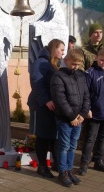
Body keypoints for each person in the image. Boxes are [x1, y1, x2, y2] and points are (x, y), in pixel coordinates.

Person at [50, 48, 91, 187]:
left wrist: (83, 114)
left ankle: (69, 170)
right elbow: (60, 99)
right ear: (66, 61)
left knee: (73, 146)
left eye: (78, 65)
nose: (76, 67)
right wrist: (71, 116)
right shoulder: (58, 76)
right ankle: (62, 172)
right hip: (65, 118)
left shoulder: (81, 76)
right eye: (73, 64)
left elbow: (86, 95)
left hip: (78, 118)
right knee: (64, 146)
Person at [28, 38, 65, 178]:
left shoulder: (53, 63)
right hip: (42, 105)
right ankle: (42, 166)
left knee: (53, 135)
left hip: (52, 105)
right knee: (43, 136)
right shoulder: (40, 63)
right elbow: (37, 83)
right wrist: (46, 100)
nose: (63, 52)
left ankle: (55, 163)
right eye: (61, 49)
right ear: (54, 49)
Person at [79, 22, 104, 165]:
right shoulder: (83, 50)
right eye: (95, 32)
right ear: (90, 34)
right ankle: (86, 157)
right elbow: (80, 70)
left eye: (100, 32)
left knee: (103, 133)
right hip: (90, 93)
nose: (98, 35)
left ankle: (100, 156)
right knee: (89, 132)